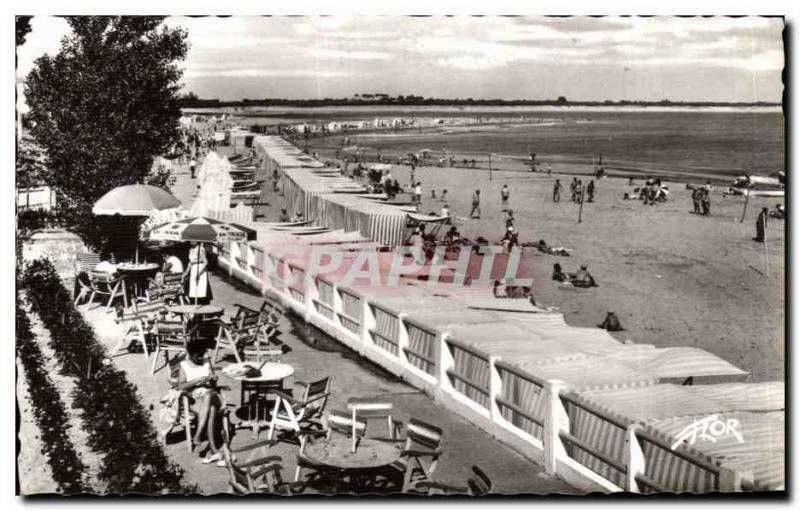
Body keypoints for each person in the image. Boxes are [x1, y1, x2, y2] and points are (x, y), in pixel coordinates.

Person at [177, 342, 223, 461]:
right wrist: (197, 381)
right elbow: (181, 386)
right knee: (211, 410)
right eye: (197, 356)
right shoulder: (184, 365)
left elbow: (214, 382)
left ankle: (198, 433)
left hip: (210, 394)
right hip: (195, 396)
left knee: (208, 394)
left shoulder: (207, 362)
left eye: (201, 355)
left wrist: (213, 379)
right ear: (191, 355)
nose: (200, 358)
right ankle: (213, 448)